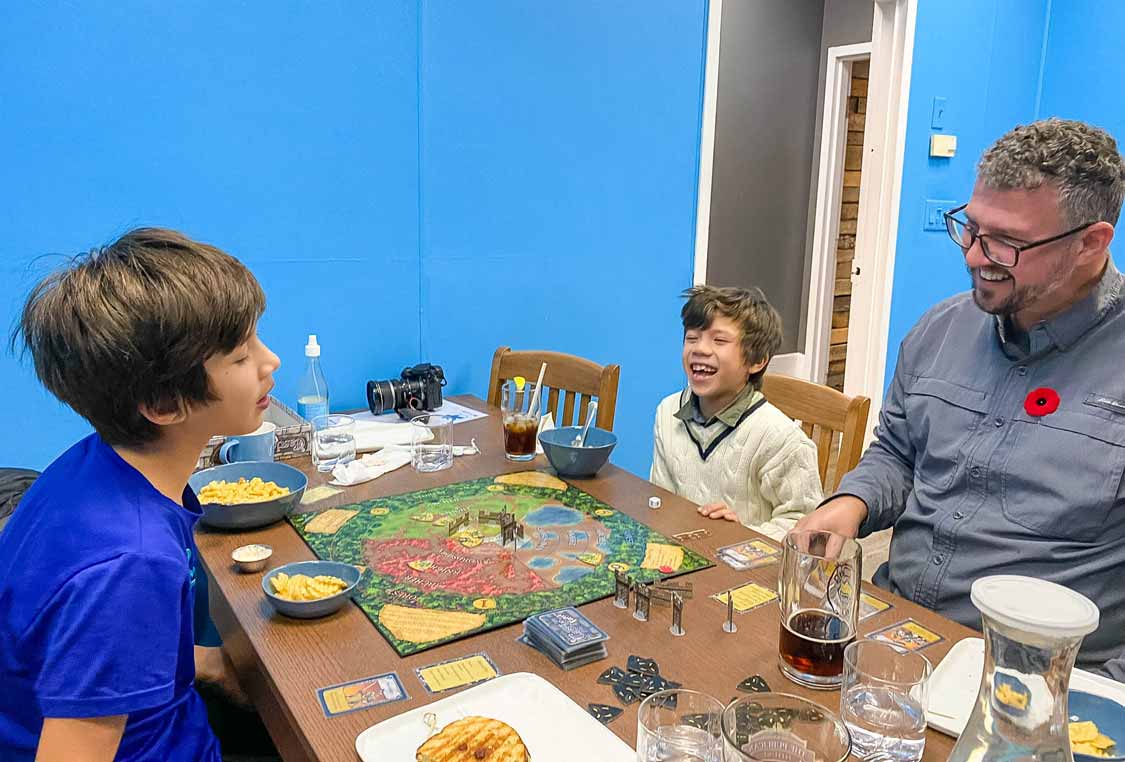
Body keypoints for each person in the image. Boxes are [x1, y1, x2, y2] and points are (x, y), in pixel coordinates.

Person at [797, 118, 1125, 672]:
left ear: (1090, 244)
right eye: (971, 228)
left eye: (1006, 242)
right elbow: (897, 453)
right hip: (891, 629)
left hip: (1038, 682)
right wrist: (851, 502)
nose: (975, 256)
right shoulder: (939, 328)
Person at [0, 228, 281, 760]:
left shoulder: (88, 465)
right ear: (163, 403)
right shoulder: (131, 563)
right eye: (241, 357)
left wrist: (201, 661)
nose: (271, 362)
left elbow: (78, 647)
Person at [651, 285, 822, 539]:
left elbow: (809, 529)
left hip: (750, 572)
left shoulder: (782, 439)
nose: (700, 349)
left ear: (757, 361)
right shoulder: (668, 412)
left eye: (719, 340)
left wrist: (741, 534)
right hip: (682, 561)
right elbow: (661, 500)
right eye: (692, 337)